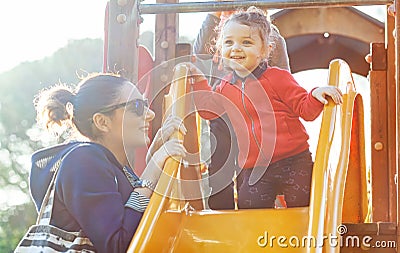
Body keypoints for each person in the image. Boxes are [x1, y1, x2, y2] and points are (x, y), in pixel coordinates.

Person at [186, 6, 343, 209]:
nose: (236, 48)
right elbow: (210, 112)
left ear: (265, 50)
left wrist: (314, 94)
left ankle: (300, 237)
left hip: (293, 160)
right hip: (255, 167)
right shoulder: (225, 86)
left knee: (302, 206)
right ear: (220, 49)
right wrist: (199, 81)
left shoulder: (278, 78)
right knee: (250, 207)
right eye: (228, 43)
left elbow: (305, 109)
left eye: (246, 42)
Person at [30, 73, 186, 253]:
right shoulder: (83, 161)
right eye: (136, 106)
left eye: (144, 104)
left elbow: (130, 221)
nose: (150, 114)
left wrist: (153, 159)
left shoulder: (110, 167)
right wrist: (153, 170)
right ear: (102, 122)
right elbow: (118, 245)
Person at [193, 5, 291, 209]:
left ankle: (255, 210)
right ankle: (221, 214)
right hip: (224, 114)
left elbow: (283, 75)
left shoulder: (270, 36)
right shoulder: (221, 31)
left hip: (256, 114)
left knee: (255, 168)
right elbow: (200, 53)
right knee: (220, 166)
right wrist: (215, 10)